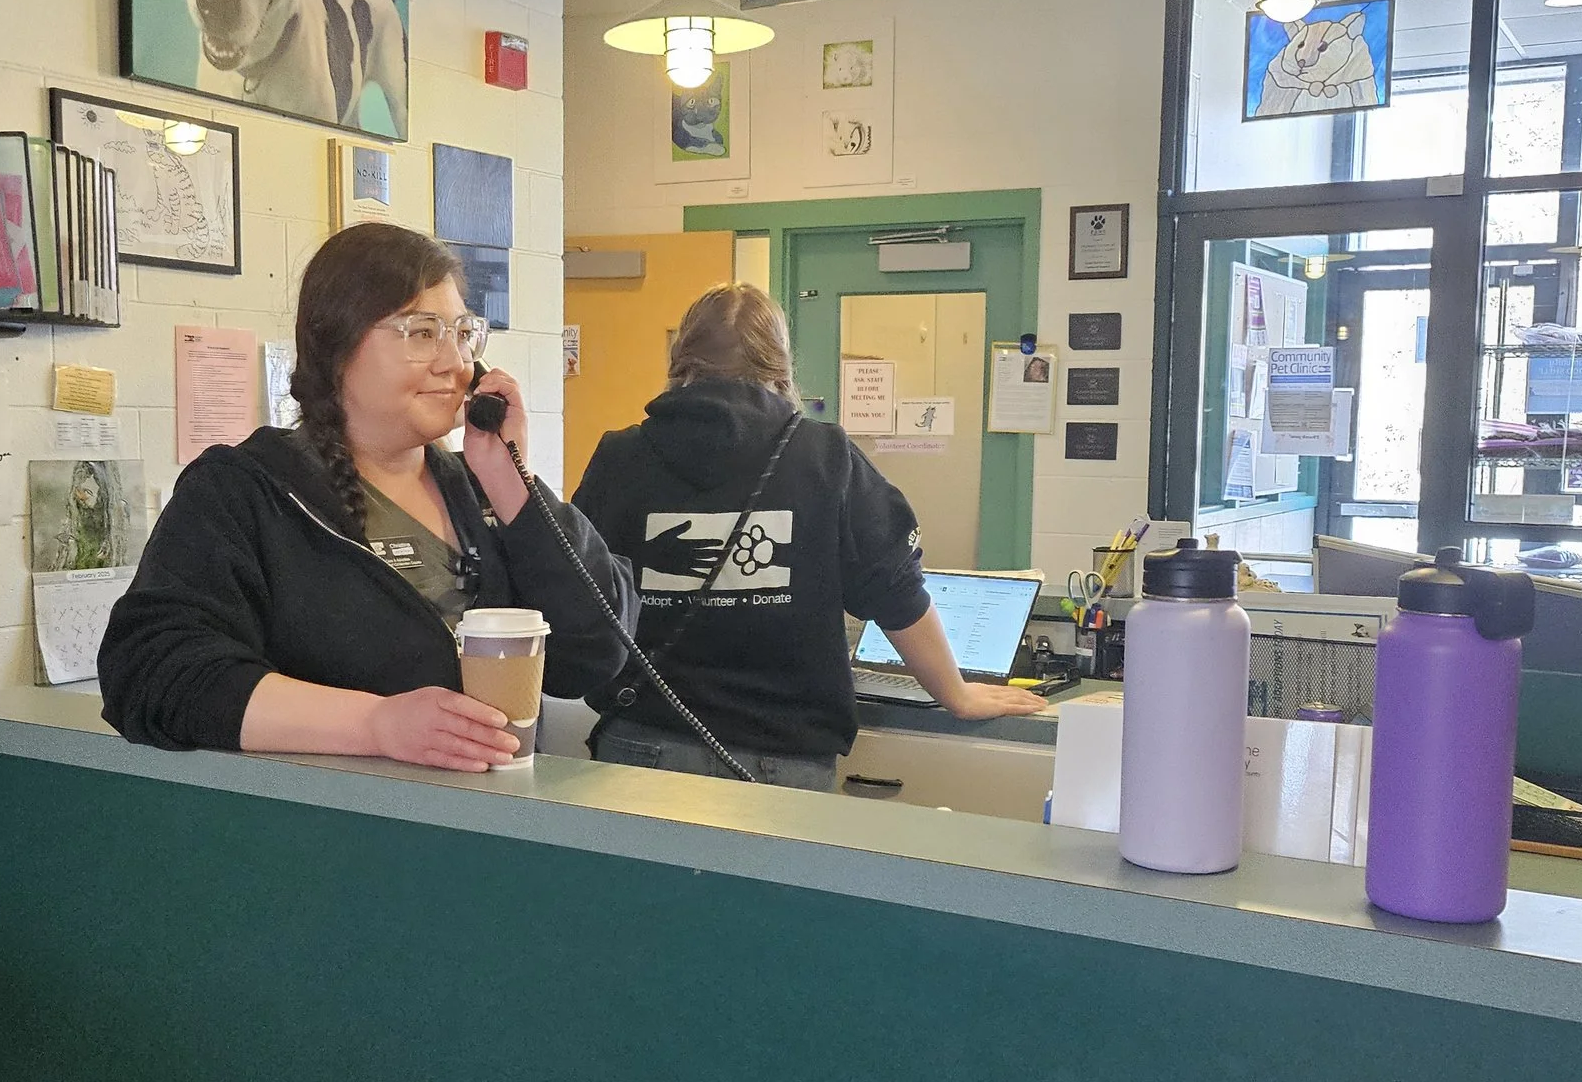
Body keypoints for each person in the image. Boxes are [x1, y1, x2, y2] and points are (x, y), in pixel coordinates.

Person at [99, 223, 634, 771]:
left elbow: (595, 653)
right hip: (330, 833)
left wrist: (514, 487)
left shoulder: (481, 490)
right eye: (423, 333)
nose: (457, 363)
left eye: (463, 333)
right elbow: (150, 673)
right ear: (338, 345)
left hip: (488, 828)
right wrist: (375, 725)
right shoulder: (241, 491)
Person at [572, 283, 1044, 791]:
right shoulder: (826, 458)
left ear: (682, 359)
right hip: (782, 758)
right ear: (779, 365)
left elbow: (577, 586)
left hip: (643, 743)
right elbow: (896, 592)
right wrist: (956, 693)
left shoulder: (621, 459)